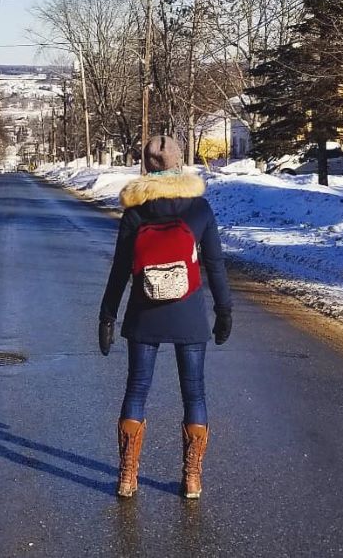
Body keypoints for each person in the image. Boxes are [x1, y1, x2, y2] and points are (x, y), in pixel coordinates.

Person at [99, 134, 232, 500]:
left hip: (144, 313)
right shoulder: (199, 209)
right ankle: (192, 478)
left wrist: (107, 315)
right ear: (179, 163)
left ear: (147, 166)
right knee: (194, 393)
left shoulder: (135, 211)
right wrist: (224, 309)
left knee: (137, 390)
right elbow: (216, 265)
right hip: (189, 314)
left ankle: (127, 476)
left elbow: (121, 270)